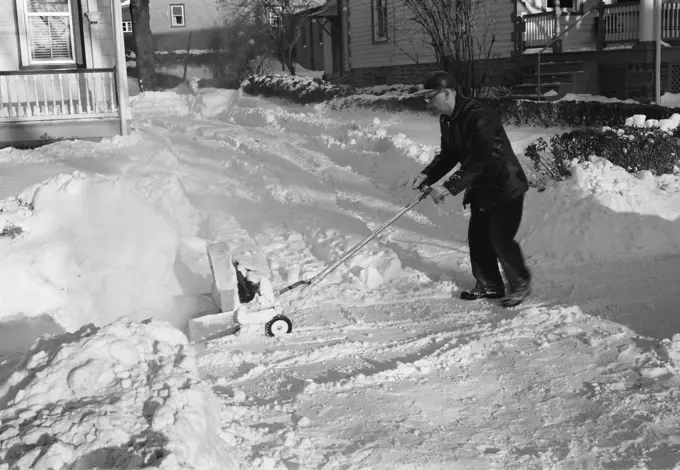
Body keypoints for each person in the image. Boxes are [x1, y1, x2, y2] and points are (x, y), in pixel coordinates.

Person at [412, 70, 532, 308]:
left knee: (500, 238)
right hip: (481, 186)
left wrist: (448, 186)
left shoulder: (478, 115)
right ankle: (490, 284)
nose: (427, 103)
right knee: (478, 238)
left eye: (430, 97)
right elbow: (449, 154)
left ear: (447, 93)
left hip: (505, 184)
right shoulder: (447, 120)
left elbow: (481, 159)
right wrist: (427, 174)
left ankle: (520, 284)